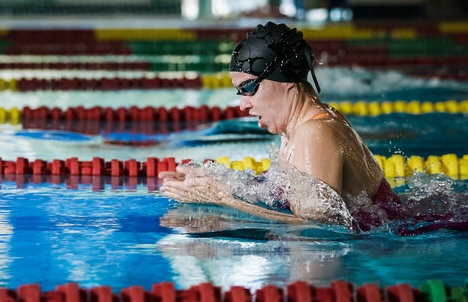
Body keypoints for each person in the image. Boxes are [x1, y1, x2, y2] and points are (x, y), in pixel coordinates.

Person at [159, 22, 400, 232]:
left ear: (284, 78)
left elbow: (319, 231)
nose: (242, 104)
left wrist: (223, 199)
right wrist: (217, 179)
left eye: (249, 88)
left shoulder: (315, 133)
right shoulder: (299, 126)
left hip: (386, 253)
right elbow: (286, 196)